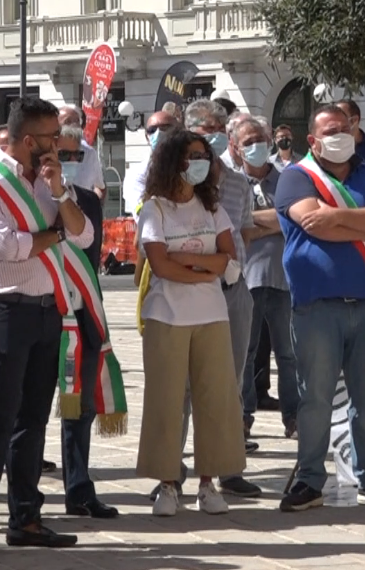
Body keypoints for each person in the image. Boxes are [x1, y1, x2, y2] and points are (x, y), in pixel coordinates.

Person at [0, 96, 89, 559]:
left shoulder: (47, 181)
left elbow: (84, 233)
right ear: (30, 140)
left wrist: (58, 195)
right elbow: (5, 246)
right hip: (3, 310)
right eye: (53, 137)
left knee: (33, 420)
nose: (60, 144)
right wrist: (52, 235)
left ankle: (26, 518)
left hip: (46, 310)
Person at [275, 104, 365, 512]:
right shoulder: (296, 178)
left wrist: (338, 217)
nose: (342, 135)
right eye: (332, 130)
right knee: (314, 397)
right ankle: (310, 478)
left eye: (347, 127)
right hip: (317, 306)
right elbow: (314, 222)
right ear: (313, 140)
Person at [136, 130, 247, 516]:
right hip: (167, 315)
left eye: (204, 155)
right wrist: (206, 267)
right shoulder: (155, 209)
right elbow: (160, 264)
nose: (201, 161)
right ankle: (168, 484)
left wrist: (188, 262)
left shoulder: (213, 208)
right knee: (166, 402)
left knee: (216, 400)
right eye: (192, 155)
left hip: (212, 315)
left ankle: (208, 483)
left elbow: (230, 262)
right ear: (173, 162)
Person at [181, 100, 262, 497]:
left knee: (228, 382)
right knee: (180, 387)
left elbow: (244, 231)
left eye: (216, 129)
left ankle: (227, 468)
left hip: (232, 292)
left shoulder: (237, 181)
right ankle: (171, 469)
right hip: (185, 294)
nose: (210, 136)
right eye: (203, 129)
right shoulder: (171, 180)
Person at [50, 122, 122, 519]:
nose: (72, 161)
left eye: (79, 155)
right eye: (64, 155)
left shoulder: (90, 204)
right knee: (28, 409)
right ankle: (21, 496)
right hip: (43, 314)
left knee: (79, 408)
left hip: (82, 315)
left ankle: (78, 488)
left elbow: (90, 257)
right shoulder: (33, 197)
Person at [223, 114, 300, 439]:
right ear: (236, 148)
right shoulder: (231, 182)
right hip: (245, 279)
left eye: (260, 140)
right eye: (248, 142)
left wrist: (254, 222)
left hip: (285, 279)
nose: (257, 146)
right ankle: (242, 418)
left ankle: (294, 419)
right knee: (245, 353)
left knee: (289, 354)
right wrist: (273, 219)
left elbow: (294, 218)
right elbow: (232, 226)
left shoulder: (289, 177)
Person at [123, 110, 181, 215]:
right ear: (147, 137)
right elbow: (142, 213)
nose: (158, 133)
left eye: (165, 128)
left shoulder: (192, 165)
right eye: (152, 130)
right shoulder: (137, 174)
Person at [58, 106, 107, 200]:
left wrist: (93, 206)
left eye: (77, 121)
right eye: (68, 122)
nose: (73, 125)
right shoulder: (46, 151)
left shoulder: (90, 153)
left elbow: (101, 187)